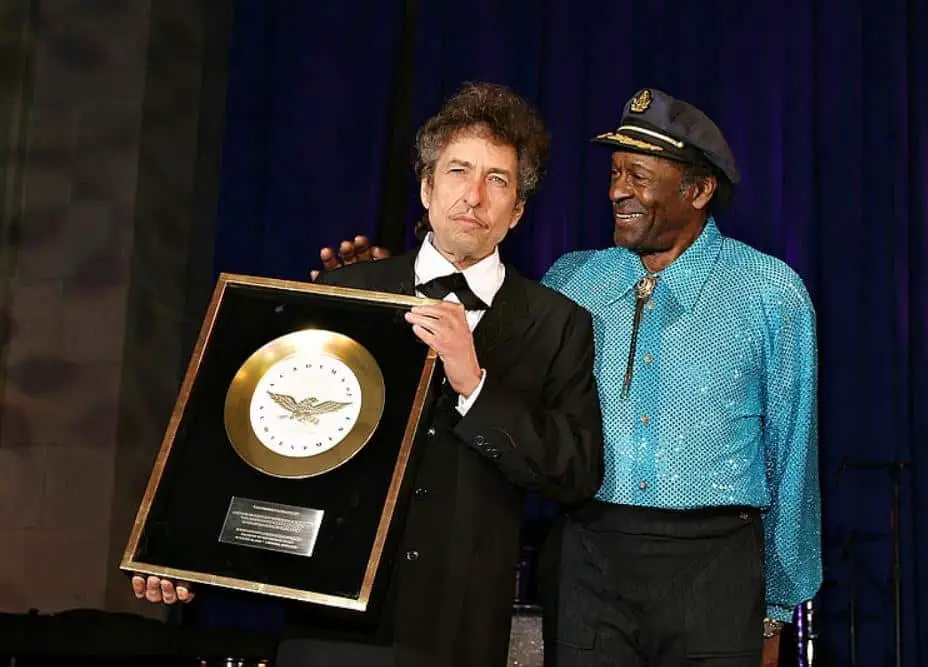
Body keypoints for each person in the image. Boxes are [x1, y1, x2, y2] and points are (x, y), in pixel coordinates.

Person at [323, 88, 821, 667]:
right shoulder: (574, 279)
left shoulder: (770, 292)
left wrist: (776, 609)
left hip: (712, 568)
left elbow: (793, 457)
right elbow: (489, 342)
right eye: (613, 173)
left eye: (638, 175)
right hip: (587, 559)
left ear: (699, 190)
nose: (616, 191)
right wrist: (384, 298)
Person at [132, 81, 605, 667]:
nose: (475, 196)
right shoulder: (343, 296)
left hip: (458, 631)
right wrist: (182, 551)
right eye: (458, 171)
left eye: (498, 180)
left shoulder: (558, 324)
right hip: (330, 624)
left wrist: (474, 384)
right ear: (427, 188)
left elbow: (576, 473)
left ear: (518, 212)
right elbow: (267, 434)